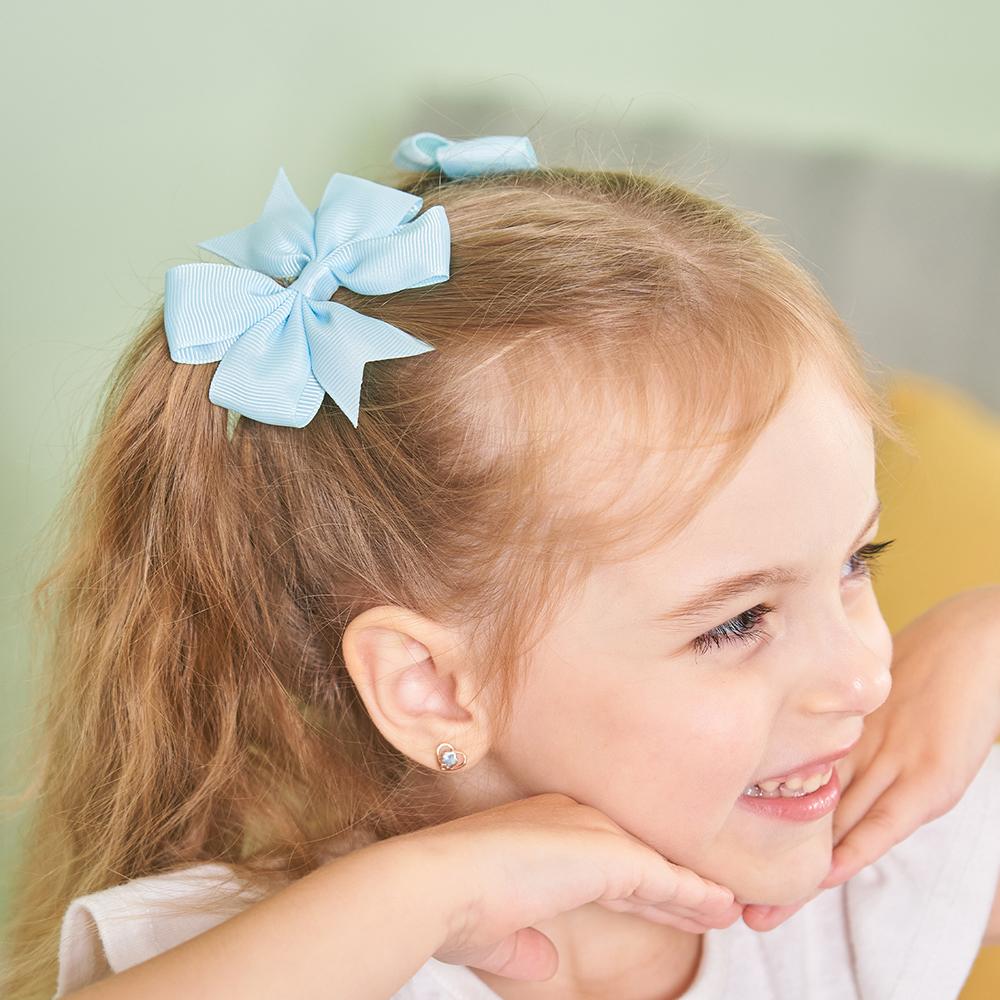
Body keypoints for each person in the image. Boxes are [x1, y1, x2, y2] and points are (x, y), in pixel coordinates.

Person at [3, 132, 1000, 1000]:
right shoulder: (300, 952)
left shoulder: (866, 849)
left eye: (855, 561)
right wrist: (433, 896)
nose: (865, 673)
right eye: (735, 621)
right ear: (432, 686)